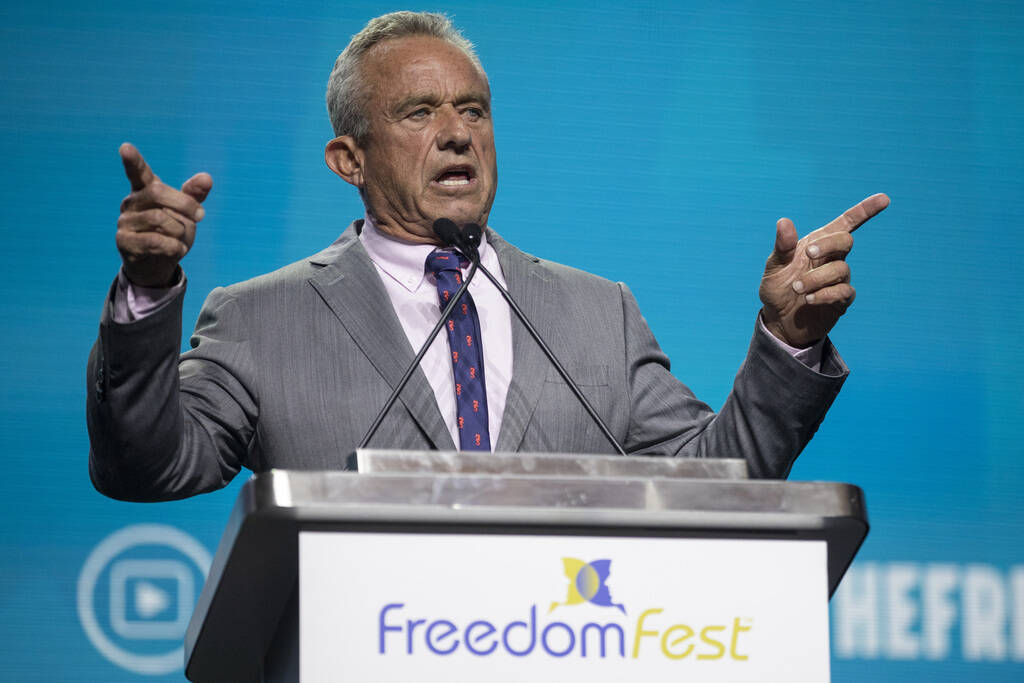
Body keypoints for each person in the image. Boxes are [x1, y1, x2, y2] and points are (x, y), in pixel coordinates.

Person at [87, 12, 889, 501]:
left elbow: (723, 482)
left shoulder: (596, 312)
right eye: (419, 113)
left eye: (473, 110)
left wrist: (786, 341)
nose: (458, 133)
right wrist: (150, 293)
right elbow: (147, 466)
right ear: (348, 159)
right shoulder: (262, 319)